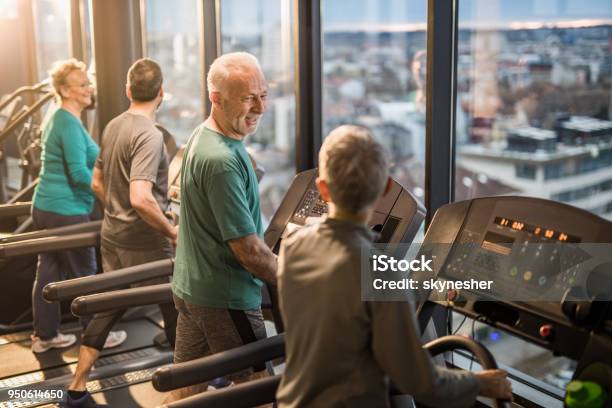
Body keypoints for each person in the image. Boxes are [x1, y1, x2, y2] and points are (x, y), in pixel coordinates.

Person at [276, 125, 513, 408]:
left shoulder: (293, 245)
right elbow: (423, 385)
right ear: (386, 187)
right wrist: (481, 383)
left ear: (322, 189)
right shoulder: (381, 271)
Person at [63, 58, 179, 408]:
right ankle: (197, 374)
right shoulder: (149, 135)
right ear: (161, 93)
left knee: (107, 308)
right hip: (146, 241)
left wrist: (116, 209)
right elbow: (141, 198)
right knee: (179, 305)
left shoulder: (113, 125)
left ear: (128, 91)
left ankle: (76, 388)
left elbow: (98, 181)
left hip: (112, 235)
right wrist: (172, 231)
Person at [168, 52, 277, 401]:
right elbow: (249, 253)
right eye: (248, 98)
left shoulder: (203, 137)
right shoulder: (222, 162)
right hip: (226, 300)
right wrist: (304, 281)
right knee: (260, 391)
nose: (260, 108)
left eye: (263, 94)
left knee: (185, 390)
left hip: (193, 289)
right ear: (216, 98)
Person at [30, 59, 99, 353]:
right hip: (66, 210)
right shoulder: (68, 122)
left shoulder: (58, 117)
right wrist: (111, 193)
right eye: (82, 84)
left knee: (49, 270)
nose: (88, 88)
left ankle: (44, 337)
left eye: (88, 82)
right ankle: (98, 337)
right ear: (65, 91)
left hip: (45, 206)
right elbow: (79, 173)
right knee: (85, 271)